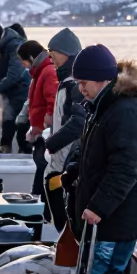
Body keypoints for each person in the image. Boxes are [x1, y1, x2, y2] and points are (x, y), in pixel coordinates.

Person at [68, 43, 137, 274]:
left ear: (102, 79)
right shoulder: (103, 105)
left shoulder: (127, 111)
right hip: (108, 214)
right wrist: (74, 170)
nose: (80, 88)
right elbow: (94, 150)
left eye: (84, 82)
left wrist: (98, 206)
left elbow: (126, 168)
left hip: (118, 215)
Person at [42, 29, 86, 228]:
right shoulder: (64, 83)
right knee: (54, 200)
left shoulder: (75, 86)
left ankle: (66, 246)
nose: (50, 57)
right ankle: (61, 243)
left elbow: (79, 122)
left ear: (67, 54)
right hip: (57, 159)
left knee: (63, 209)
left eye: (54, 52)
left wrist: (53, 142)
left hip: (66, 161)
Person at [16, 40, 59, 193]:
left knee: (42, 165)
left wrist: (46, 121)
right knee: (39, 163)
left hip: (45, 133)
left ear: (32, 58)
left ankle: (40, 201)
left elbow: (52, 100)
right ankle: (38, 199)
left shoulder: (48, 71)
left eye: (24, 61)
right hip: (39, 131)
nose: (23, 65)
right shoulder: (39, 72)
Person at [0, 21, 30, 152]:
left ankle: (22, 158)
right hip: (11, 95)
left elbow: (14, 75)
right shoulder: (6, 47)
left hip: (20, 94)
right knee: (7, 122)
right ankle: (5, 149)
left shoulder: (14, 46)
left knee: (19, 127)